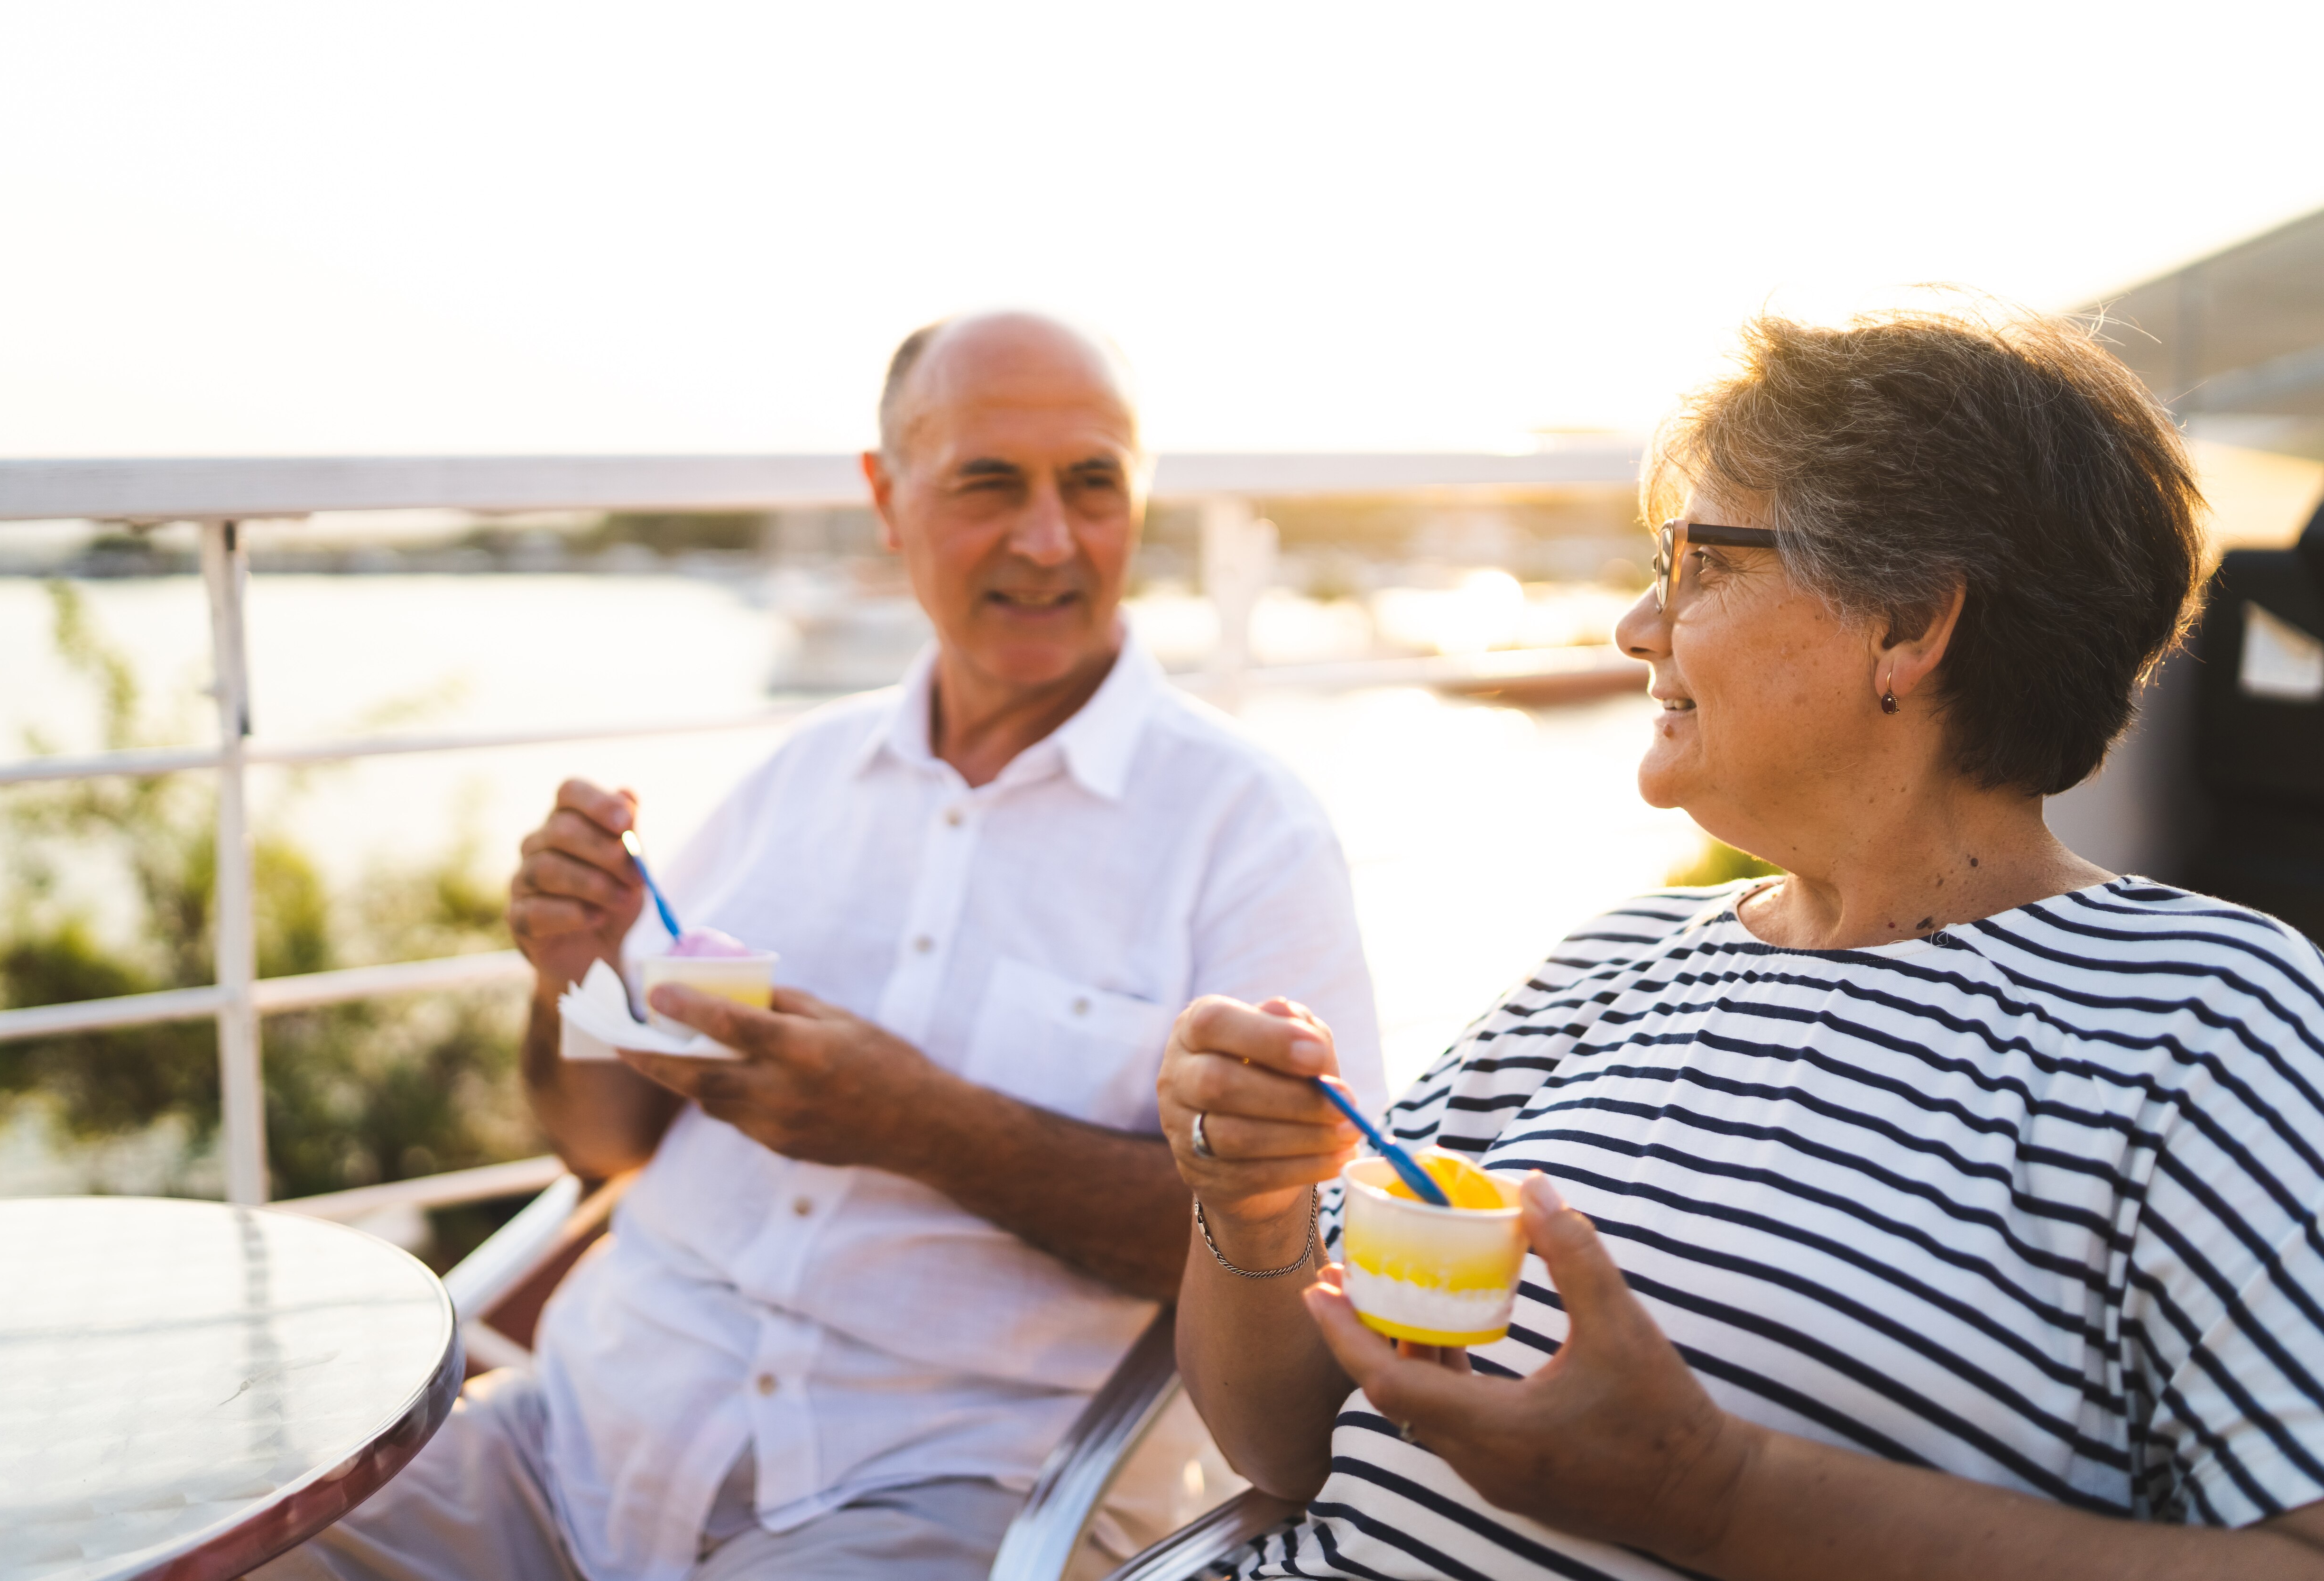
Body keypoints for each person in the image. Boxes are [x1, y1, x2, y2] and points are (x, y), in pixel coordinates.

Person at [1161, 306, 2324, 1580]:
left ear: (1905, 625)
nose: (1638, 628)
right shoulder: (1607, 965)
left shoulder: (2201, 1019)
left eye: (1702, 565)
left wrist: (1712, 1493)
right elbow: (1279, 1441)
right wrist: (1258, 1207)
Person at [264, 311, 1384, 1581]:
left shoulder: (1245, 832)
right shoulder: (791, 779)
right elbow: (602, 1143)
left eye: (1092, 486)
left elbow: (1317, 1257)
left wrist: (918, 1122)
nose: (1048, 540)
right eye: (988, 484)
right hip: (564, 1449)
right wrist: (570, 972)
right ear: (886, 496)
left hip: (939, 1499)